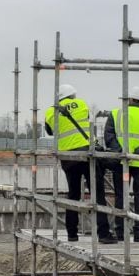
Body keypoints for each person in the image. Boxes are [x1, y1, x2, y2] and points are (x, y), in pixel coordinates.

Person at [96, 87, 139, 243]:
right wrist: (137, 153)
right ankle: (138, 233)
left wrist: (122, 152)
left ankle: (121, 232)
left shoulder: (116, 114)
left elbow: (109, 136)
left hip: (121, 162)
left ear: (129, 99)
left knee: (121, 196)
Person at [44, 84, 91, 242]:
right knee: (97, 194)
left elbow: (50, 131)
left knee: (73, 195)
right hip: (86, 153)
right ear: (72, 95)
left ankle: (72, 234)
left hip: (67, 157)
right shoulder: (82, 104)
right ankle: (104, 233)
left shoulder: (51, 111)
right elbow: (87, 120)